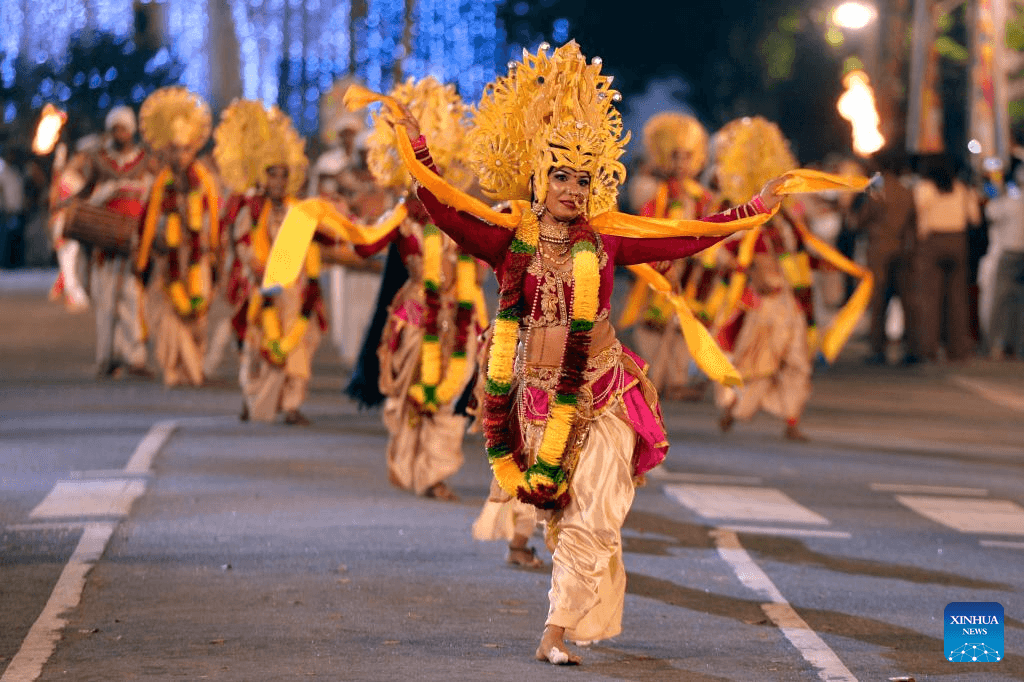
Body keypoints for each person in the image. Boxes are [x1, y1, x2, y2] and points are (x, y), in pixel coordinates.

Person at [379, 43, 788, 664]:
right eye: (561, 176)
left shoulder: (606, 240)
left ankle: (556, 632)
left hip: (603, 389)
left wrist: (753, 209)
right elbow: (442, 204)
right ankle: (553, 592)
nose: (573, 189)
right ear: (539, 178)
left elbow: (686, 237)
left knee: (598, 512)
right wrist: (417, 149)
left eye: (584, 178)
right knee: (559, 511)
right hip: (535, 398)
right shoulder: (505, 237)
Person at [347, 76, 485, 501]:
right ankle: (408, 463)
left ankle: (435, 472)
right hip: (413, 315)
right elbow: (365, 244)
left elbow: (479, 271)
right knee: (407, 395)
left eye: (437, 167)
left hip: (460, 315)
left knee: (451, 392)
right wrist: (329, 219)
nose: (430, 175)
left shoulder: (463, 216)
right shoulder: (403, 213)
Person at [711, 118, 872, 442]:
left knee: (798, 361)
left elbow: (799, 254)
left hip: (791, 302)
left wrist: (828, 266)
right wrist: (753, 272)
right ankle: (735, 409)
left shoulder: (787, 221)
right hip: (762, 306)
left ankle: (792, 420)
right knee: (756, 363)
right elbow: (727, 255)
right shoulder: (745, 217)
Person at [214, 100, 324, 424]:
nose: (278, 182)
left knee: (298, 343)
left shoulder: (299, 212)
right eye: (272, 176)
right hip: (259, 288)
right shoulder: (253, 209)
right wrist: (256, 267)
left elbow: (309, 251)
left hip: (292, 289)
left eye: (283, 176)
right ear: (263, 177)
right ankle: (253, 399)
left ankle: (291, 404)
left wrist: (305, 286)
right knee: (254, 347)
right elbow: (242, 241)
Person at [624, 112, 717, 400]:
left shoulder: (702, 196)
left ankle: (675, 381)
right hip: (657, 265)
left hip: (691, 270)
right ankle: (652, 379)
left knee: (681, 326)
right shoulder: (653, 190)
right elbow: (645, 225)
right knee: (652, 325)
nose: (681, 164)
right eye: (675, 156)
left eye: (688, 157)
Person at [59, 106, 153, 377]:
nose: (119, 133)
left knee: (133, 300)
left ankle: (135, 357)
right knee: (106, 300)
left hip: (133, 242)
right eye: (114, 129)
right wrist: (69, 204)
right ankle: (107, 357)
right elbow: (87, 190)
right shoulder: (99, 160)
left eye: (123, 128)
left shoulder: (145, 159)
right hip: (105, 244)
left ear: (132, 131)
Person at [136, 87, 220, 387]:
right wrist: (145, 257)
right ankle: (174, 369)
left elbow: (215, 223)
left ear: (194, 148)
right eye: (174, 148)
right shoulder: (159, 183)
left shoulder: (206, 180)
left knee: (198, 315)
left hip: (198, 258)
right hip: (166, 259)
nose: (180, 155)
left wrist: (215, 257)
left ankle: (195, 365)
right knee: (168, 314)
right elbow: (145, 224)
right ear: (165, 150)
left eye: (185, 148)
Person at [848, 147, 918, 365]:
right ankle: (913, 348)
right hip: (903, 250)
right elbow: (914, 222)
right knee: (907, 300)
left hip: (879, 249)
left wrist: (850, 208)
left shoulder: (877, 188)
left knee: (878, 300)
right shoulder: (906, 191)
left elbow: (860, 220)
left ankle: (878, 348)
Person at [911, 154, 981, 362]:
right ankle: (958, 349)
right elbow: (975, 219)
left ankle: (929, 348)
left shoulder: (924, 188)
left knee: (930, 297)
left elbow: (919, 219)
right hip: (958, 242)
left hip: (933, 242)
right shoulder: (961, 189)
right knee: (958, 299)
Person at [983, 160, 1024, 359]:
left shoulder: (1010, 201)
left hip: (1009, 254)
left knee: (1000, 300)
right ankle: (1016, 345)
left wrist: (994, 188)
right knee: (1019, 302)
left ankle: (996, 344)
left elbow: (990, 212)